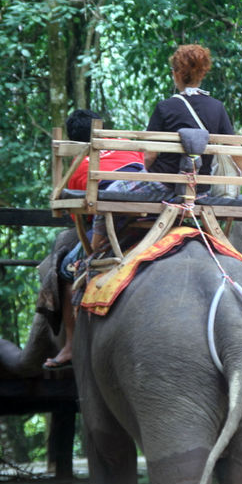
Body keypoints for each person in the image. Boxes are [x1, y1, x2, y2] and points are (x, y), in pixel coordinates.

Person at [89, 43, 242, 251]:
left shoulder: (165, 107)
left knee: (107, 193)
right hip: (201, 190)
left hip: (164, 186)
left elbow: (150, 156)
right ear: (202, 73)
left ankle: (93, 253)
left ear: (176, 74)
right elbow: (235, 150)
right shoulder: (217, 108)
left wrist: (146, 169)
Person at [44, 108, 146, 369]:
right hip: (150, 224)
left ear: (76, 141)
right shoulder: (130, 147)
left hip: (113, 231)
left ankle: (70, 345)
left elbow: (81, 214)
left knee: (67, 270)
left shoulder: (81, 164)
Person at [64, 109, 145, 191]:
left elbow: (76, 194)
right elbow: (147, 164)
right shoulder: (125, 143)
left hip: (110, 194)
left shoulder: (77, 164)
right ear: (102, 129)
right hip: (144, 187)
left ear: (73, 139)